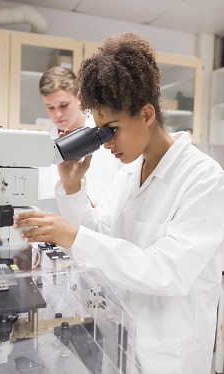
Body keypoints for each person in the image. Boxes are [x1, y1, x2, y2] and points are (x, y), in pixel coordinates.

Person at [14, 32, 224, 374]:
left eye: (111, 129)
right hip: (121, 340)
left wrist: (73, 235)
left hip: (171, 356)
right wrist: (73, 188)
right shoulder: (130, 172)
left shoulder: (204, 179)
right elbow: (105, 235)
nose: (105, 142)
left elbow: (166, 271)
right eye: (99, 131)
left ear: (146, 114)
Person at [38, 66, 121, 206]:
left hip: (102, 221)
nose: (57, 114)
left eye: (63, 105)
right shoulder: (43, 144)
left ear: (79, 97)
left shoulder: (107, 132)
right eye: (50, 107)